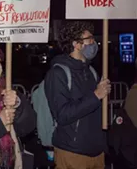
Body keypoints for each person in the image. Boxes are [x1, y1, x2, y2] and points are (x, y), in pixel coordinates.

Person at [45, 21, 111, 169]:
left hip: (97, 152)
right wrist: (95, 96)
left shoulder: (91, 71)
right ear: (76, 44)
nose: (94, 43)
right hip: (72, 153)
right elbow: (62, 114)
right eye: (90, 39)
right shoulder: (58, 73)